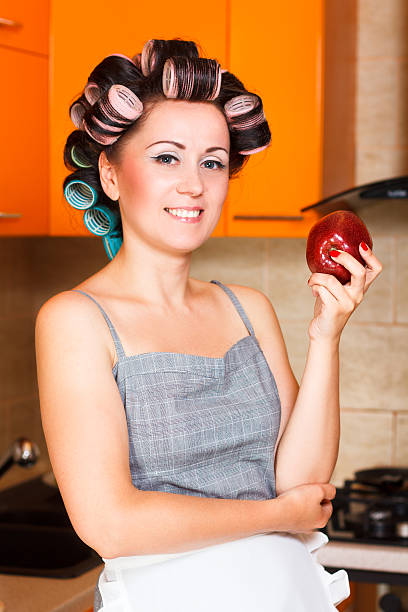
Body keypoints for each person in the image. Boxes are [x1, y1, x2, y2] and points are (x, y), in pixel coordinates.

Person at [35, 38, 382, 611]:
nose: (193, 185)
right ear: (111, 174)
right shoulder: (75, 320)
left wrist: (326, 335)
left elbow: (300, 479)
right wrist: (277, 516)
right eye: (166, 157)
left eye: (213, 162)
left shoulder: (248, 308)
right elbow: (111, 524)